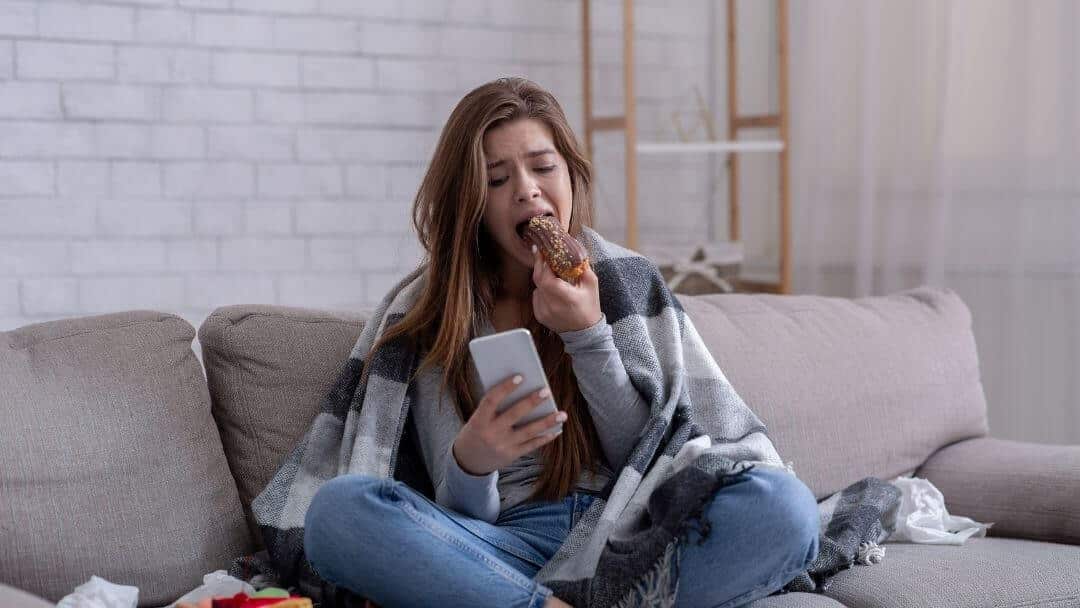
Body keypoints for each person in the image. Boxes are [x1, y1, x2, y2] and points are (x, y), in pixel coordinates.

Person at [301, 77, 820, 608]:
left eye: (543, 168)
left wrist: (587, 336)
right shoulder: (436, 314)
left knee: (786, 508)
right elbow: (462, 515)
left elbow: (653, 456)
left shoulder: (629, 281)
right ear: (471, 202)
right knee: (338, 512)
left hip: (628, 534)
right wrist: (472, 462)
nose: (526, 189)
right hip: (502, 550)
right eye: (498, 179)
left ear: (571, 174)